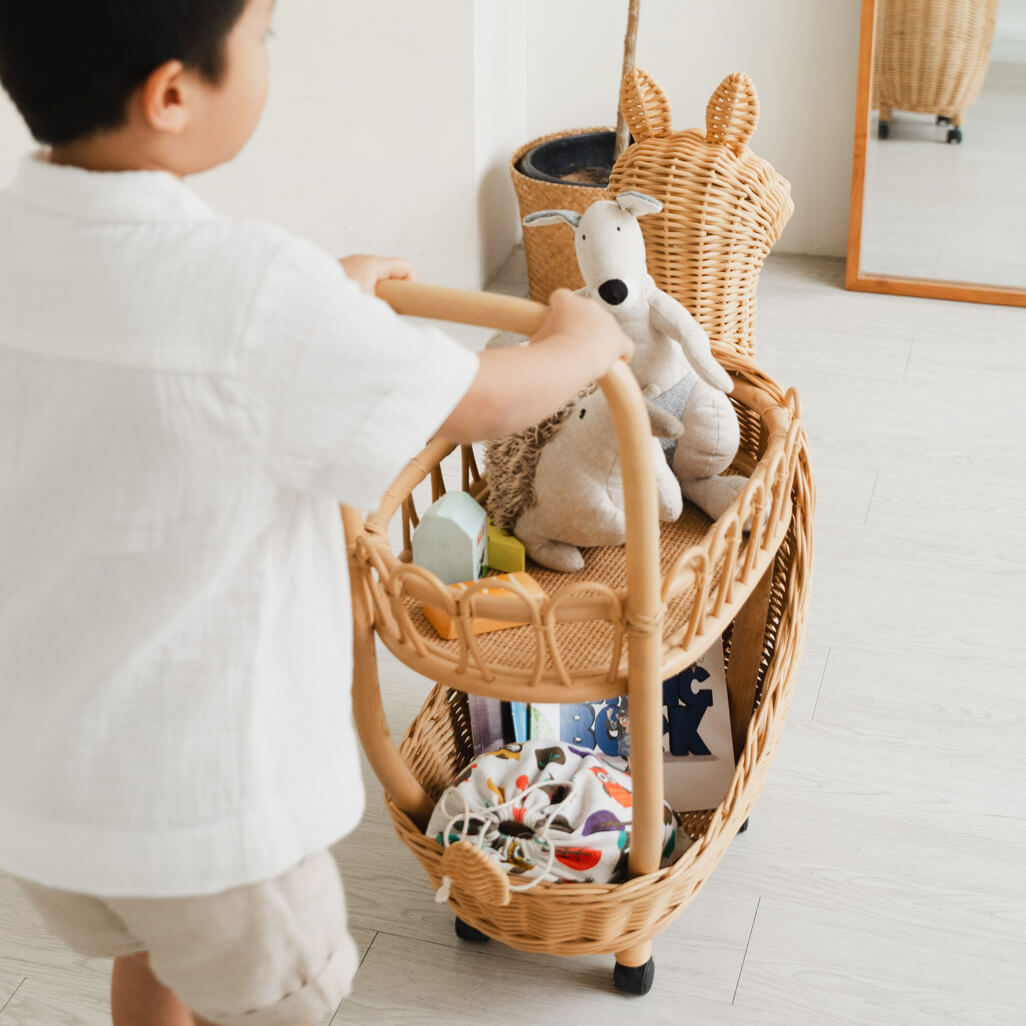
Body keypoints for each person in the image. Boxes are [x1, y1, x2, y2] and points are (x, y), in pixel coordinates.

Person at [0, 2, 634, 1024]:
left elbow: (167, 358)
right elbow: (471, 402)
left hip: (47, 798)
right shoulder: (252, 291)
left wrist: (325, 310)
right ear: (170, 94)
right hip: (210, 821)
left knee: (157, 957)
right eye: (262, 37)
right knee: (278, 1001)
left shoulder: (24, 252)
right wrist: (578, 343)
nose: (267, 55)